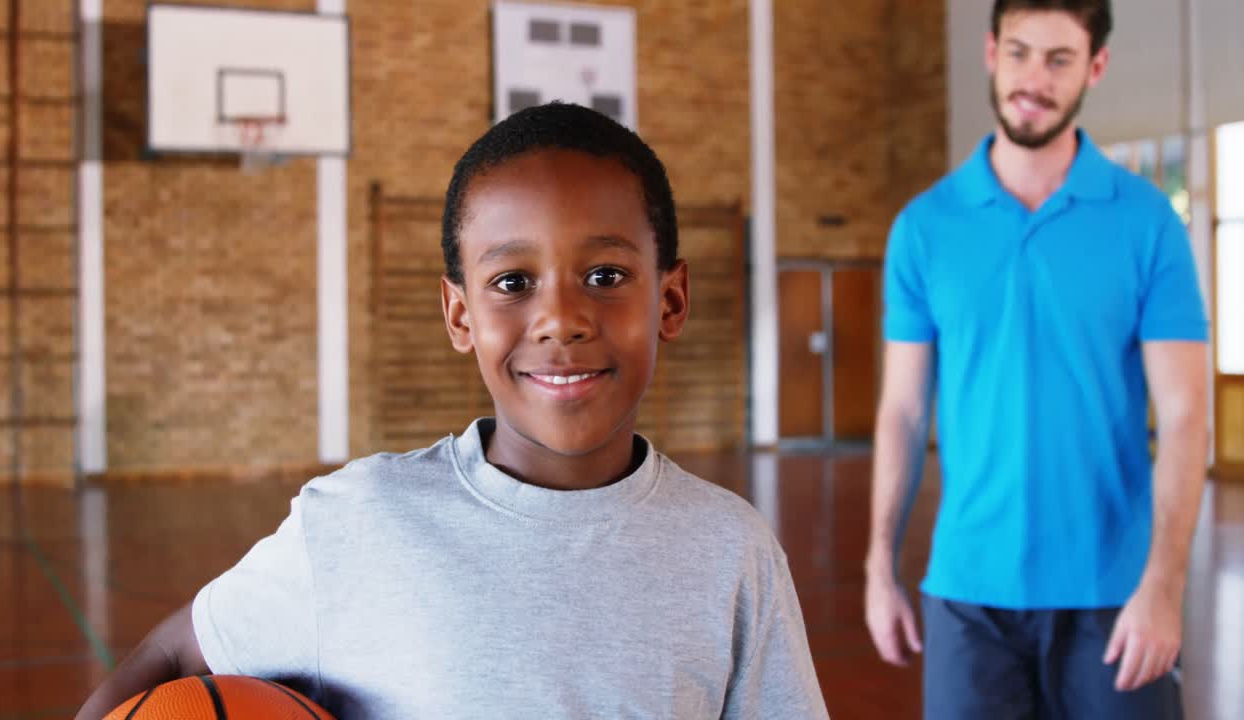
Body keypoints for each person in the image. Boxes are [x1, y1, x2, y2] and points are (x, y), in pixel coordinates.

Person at [76, 102, 828, 719]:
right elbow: (177, 658)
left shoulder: (732, 551)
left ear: (670, 300)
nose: (559, 318)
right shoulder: (358, 521)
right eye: (512, 283)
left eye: (605, 274)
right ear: (459, 314)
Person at [863, 1, 1209, 718]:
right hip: (969, 591)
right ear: (991, 51)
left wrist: (1164, 589)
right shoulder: (925, 228)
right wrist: (878, 565)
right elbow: (901, 411)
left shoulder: (1146, 223)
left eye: (1060, 59)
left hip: (1115, 592)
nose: (1034, 79)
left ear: (1096, 67)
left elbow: (1183, 416)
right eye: (1020, 52)